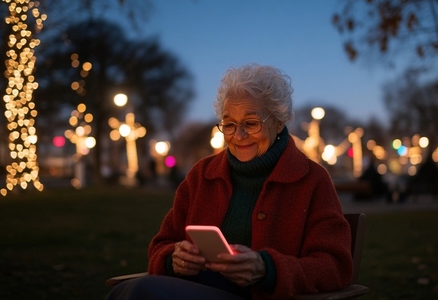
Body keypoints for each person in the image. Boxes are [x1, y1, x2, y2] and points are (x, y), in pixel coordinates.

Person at [106, 64, 353, 300]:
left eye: (251, 123)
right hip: (195, 289)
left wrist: (266, 269)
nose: (239, 135)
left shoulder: (311, 180)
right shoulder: (202, 175)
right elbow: (162, 245)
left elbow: (334, 267)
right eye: (229, 124)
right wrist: (174, 259)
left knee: (138, 293)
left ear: (278, 122)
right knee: (132, 292)